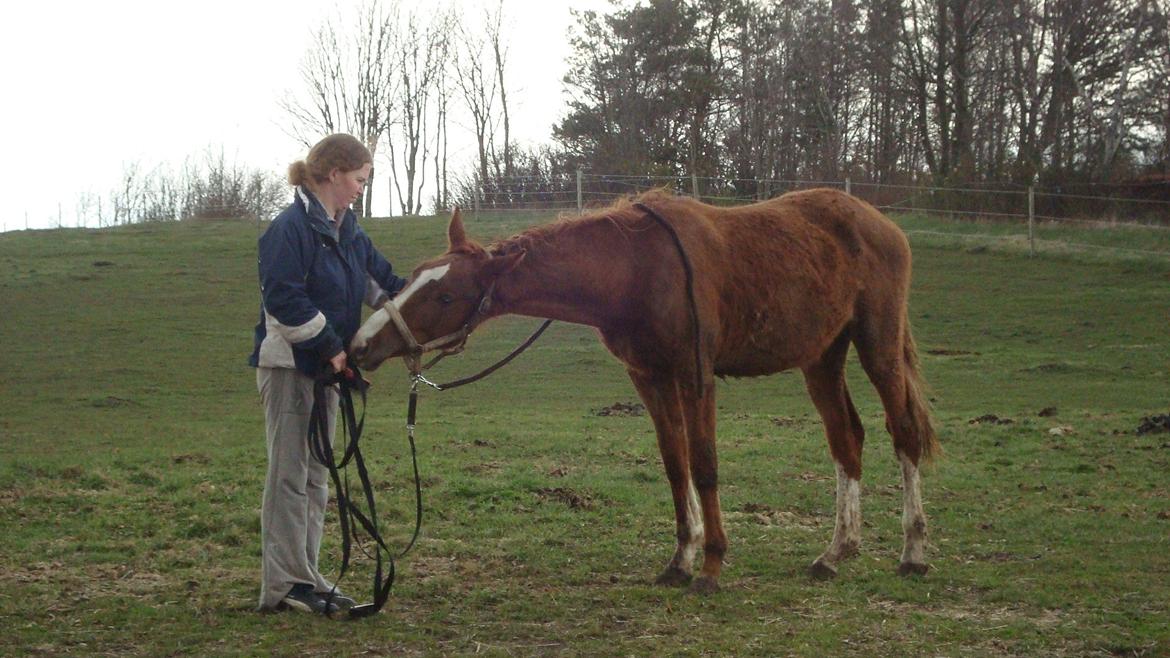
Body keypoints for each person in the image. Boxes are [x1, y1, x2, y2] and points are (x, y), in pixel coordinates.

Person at [248, 134, 407, 614]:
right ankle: (283, 585)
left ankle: (307, 577)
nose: (362, 186)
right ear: (334, 173)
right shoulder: (289, 229)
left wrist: (441, 292)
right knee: (290, 476)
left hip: (326, 371)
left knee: (318, 477)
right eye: (360, 178)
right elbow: (284, 299)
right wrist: (332, 348)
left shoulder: (349, 231)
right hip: (290, 368)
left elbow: (383, 286)